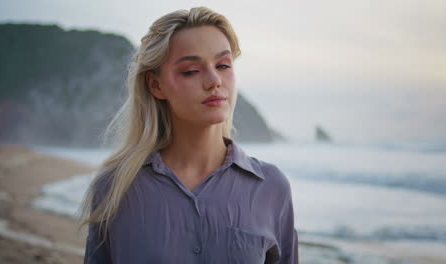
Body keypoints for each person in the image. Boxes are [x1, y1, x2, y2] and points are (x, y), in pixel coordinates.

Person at [78, 6, 298, 264]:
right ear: (156, 85)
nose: (214, 80)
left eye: (223, 65)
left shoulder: (272, 187)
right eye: (191, 70)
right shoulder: (114, 188)